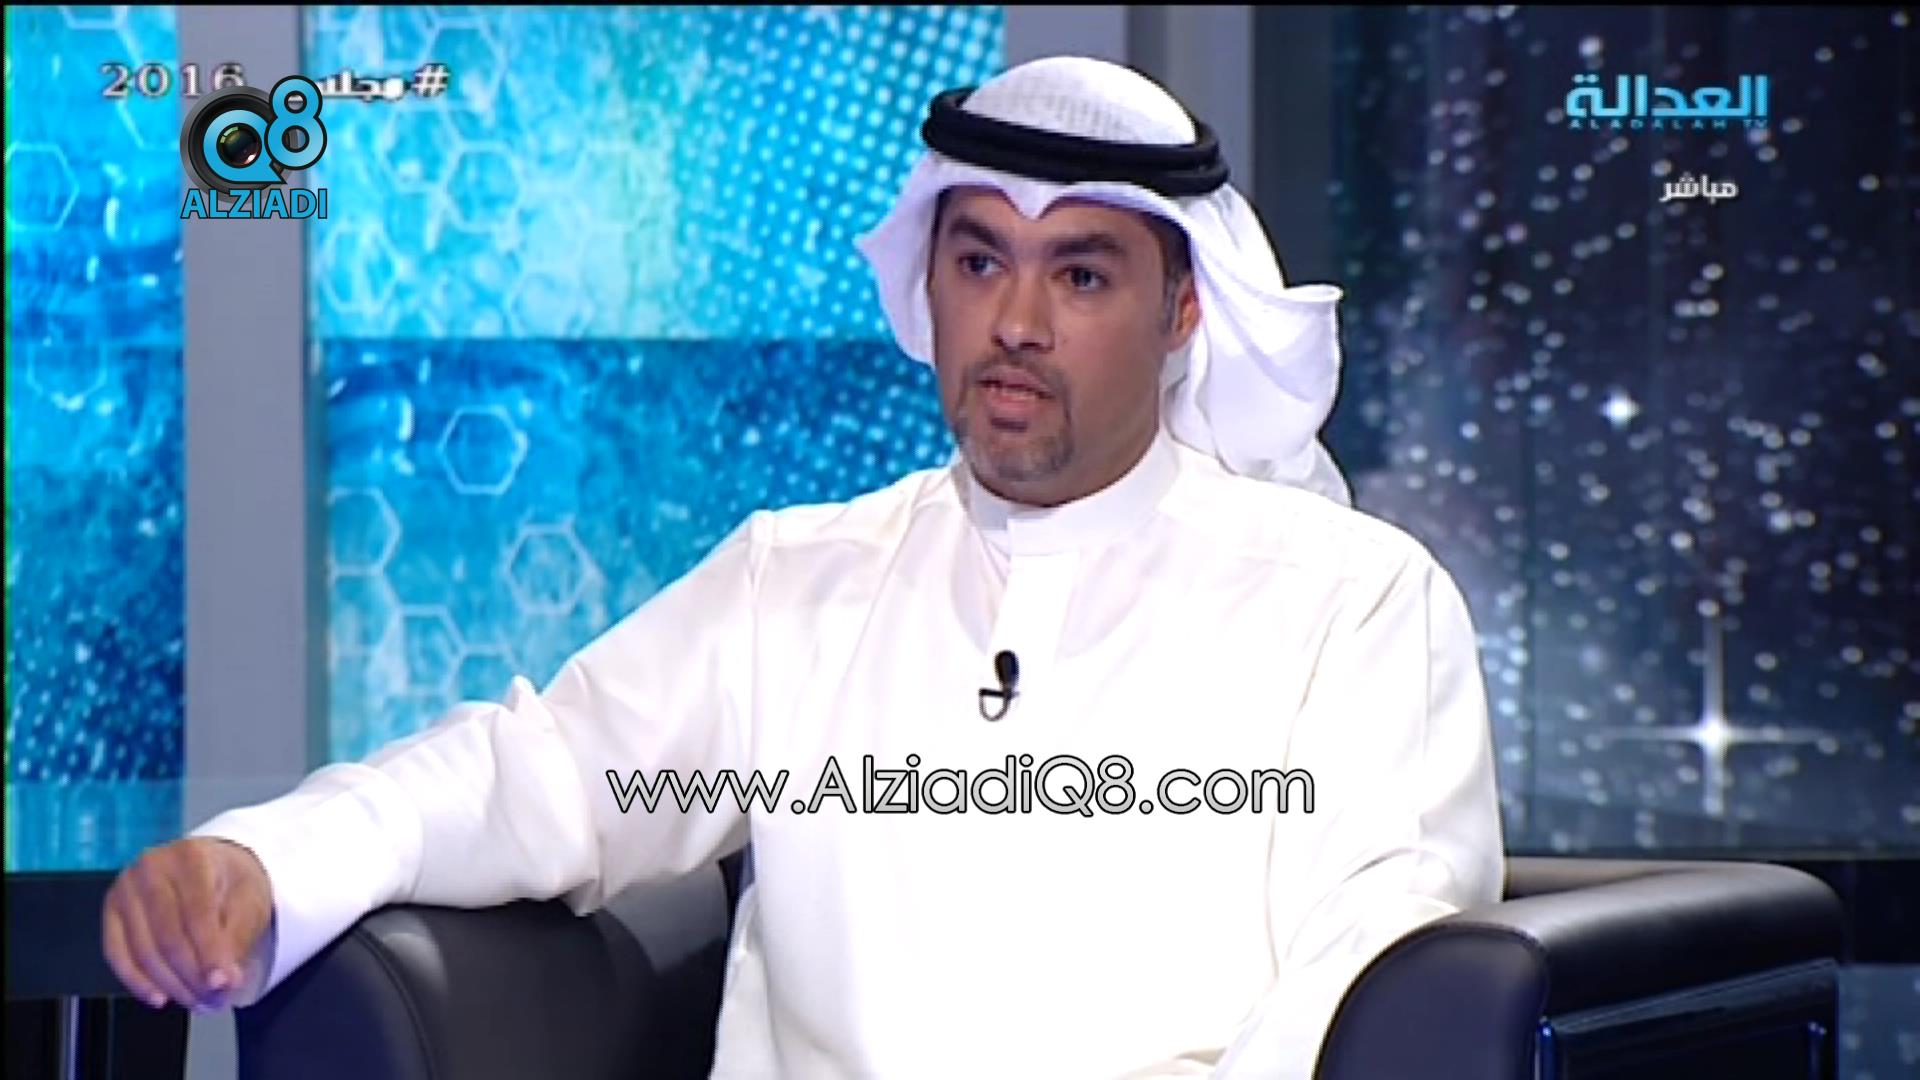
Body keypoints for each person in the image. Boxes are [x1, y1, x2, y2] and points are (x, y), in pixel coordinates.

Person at [101, 56, 1503, 1077]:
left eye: (1080, 276)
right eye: (979, 263)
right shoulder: (803, 581)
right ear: (928, 283)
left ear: (1183, 308)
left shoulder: (1350, 604)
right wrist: (268, 859)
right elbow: (544, 774)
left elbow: (1371, 971)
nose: (1016, 322)